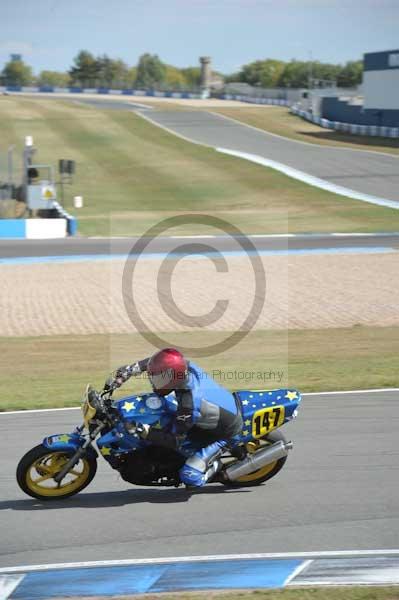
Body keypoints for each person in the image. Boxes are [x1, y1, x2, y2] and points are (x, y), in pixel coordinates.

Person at [107, 348, 243, 487]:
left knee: (189, 476)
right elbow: (157, 364)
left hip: (226, 434)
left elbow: (175, 441)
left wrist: (143, 430)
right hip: (214, 413)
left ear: (172, 378)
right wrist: (127, 371)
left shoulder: (188, 405)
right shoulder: (183, 368)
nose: (154, 382)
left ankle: (215, 468)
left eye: (159, 379)